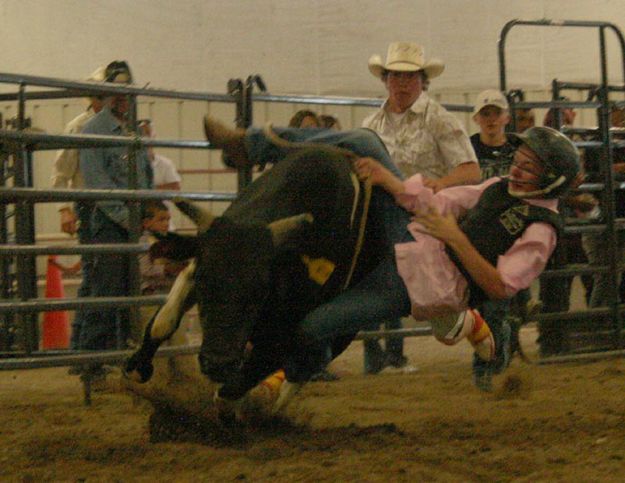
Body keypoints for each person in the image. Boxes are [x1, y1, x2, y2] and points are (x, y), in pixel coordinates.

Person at [203, 118, 579, 401]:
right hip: (410, 237)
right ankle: (252, 145)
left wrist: (455, 237)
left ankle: (268, 384)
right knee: (364, 141)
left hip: (420, 286)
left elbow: (501, 286)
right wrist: (391, 181)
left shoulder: (541, 231)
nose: (516, 168)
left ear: (552, 181)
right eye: (520, 159)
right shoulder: (497, 188)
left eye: (528, 167)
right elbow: (442, 203)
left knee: (311, 328)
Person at [361, 41, 481, 374]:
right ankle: (378, 355)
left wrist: (440, 183)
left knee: (428, 295)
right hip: (382, 213)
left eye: (409, 77)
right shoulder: (371, 124)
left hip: (425, 215)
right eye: (395, 76)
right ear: (385, 79)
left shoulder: (439, 119)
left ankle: (460, 327)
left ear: (422, 81)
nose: (401, 83)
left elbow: (470, 170)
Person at [50, 61, 131, 350]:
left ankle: (86, 348)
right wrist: (65, 209)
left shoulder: (117, 126)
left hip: (106, 206)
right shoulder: (82, 127)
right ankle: (86, 350)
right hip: (91, 207)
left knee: (98, 280)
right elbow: (62, 170)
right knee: (98, 279)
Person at [78, 61, 153, 354]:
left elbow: (144, 172)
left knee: (130, 291)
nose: (123, 98)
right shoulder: (94, 130)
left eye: (127, 92)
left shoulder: (131, 129)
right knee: (107, 292)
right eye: (117, 92)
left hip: (132, 222)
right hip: (110, 224)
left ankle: (122, 354)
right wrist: (132, 218)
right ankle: (93, 359)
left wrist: (147, 211)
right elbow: (99, 185)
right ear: (107, 95)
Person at [469, 89, 518, 388]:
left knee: (494, 307)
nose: (490, 119)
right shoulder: (466, 151)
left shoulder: (519, 150)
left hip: (510, 235)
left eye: (495, 113)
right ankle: (494, 359)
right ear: (477, 118)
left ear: (505, 118)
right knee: (487, 308)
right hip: (476, 235)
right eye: (485, 114)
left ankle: (486, 368)